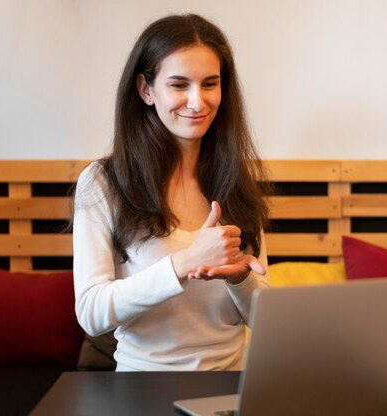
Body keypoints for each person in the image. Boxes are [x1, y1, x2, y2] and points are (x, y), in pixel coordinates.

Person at [72, 13, 271, 372]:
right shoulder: (104, 182)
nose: (197, 102)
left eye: (210, 84)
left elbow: (266, 320)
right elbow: (91, 312)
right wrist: (185, 263)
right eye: (179, 85)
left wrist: (241, 278)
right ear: (146, 90)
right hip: (142, 389)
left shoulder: (235, 180)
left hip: (230, 388)